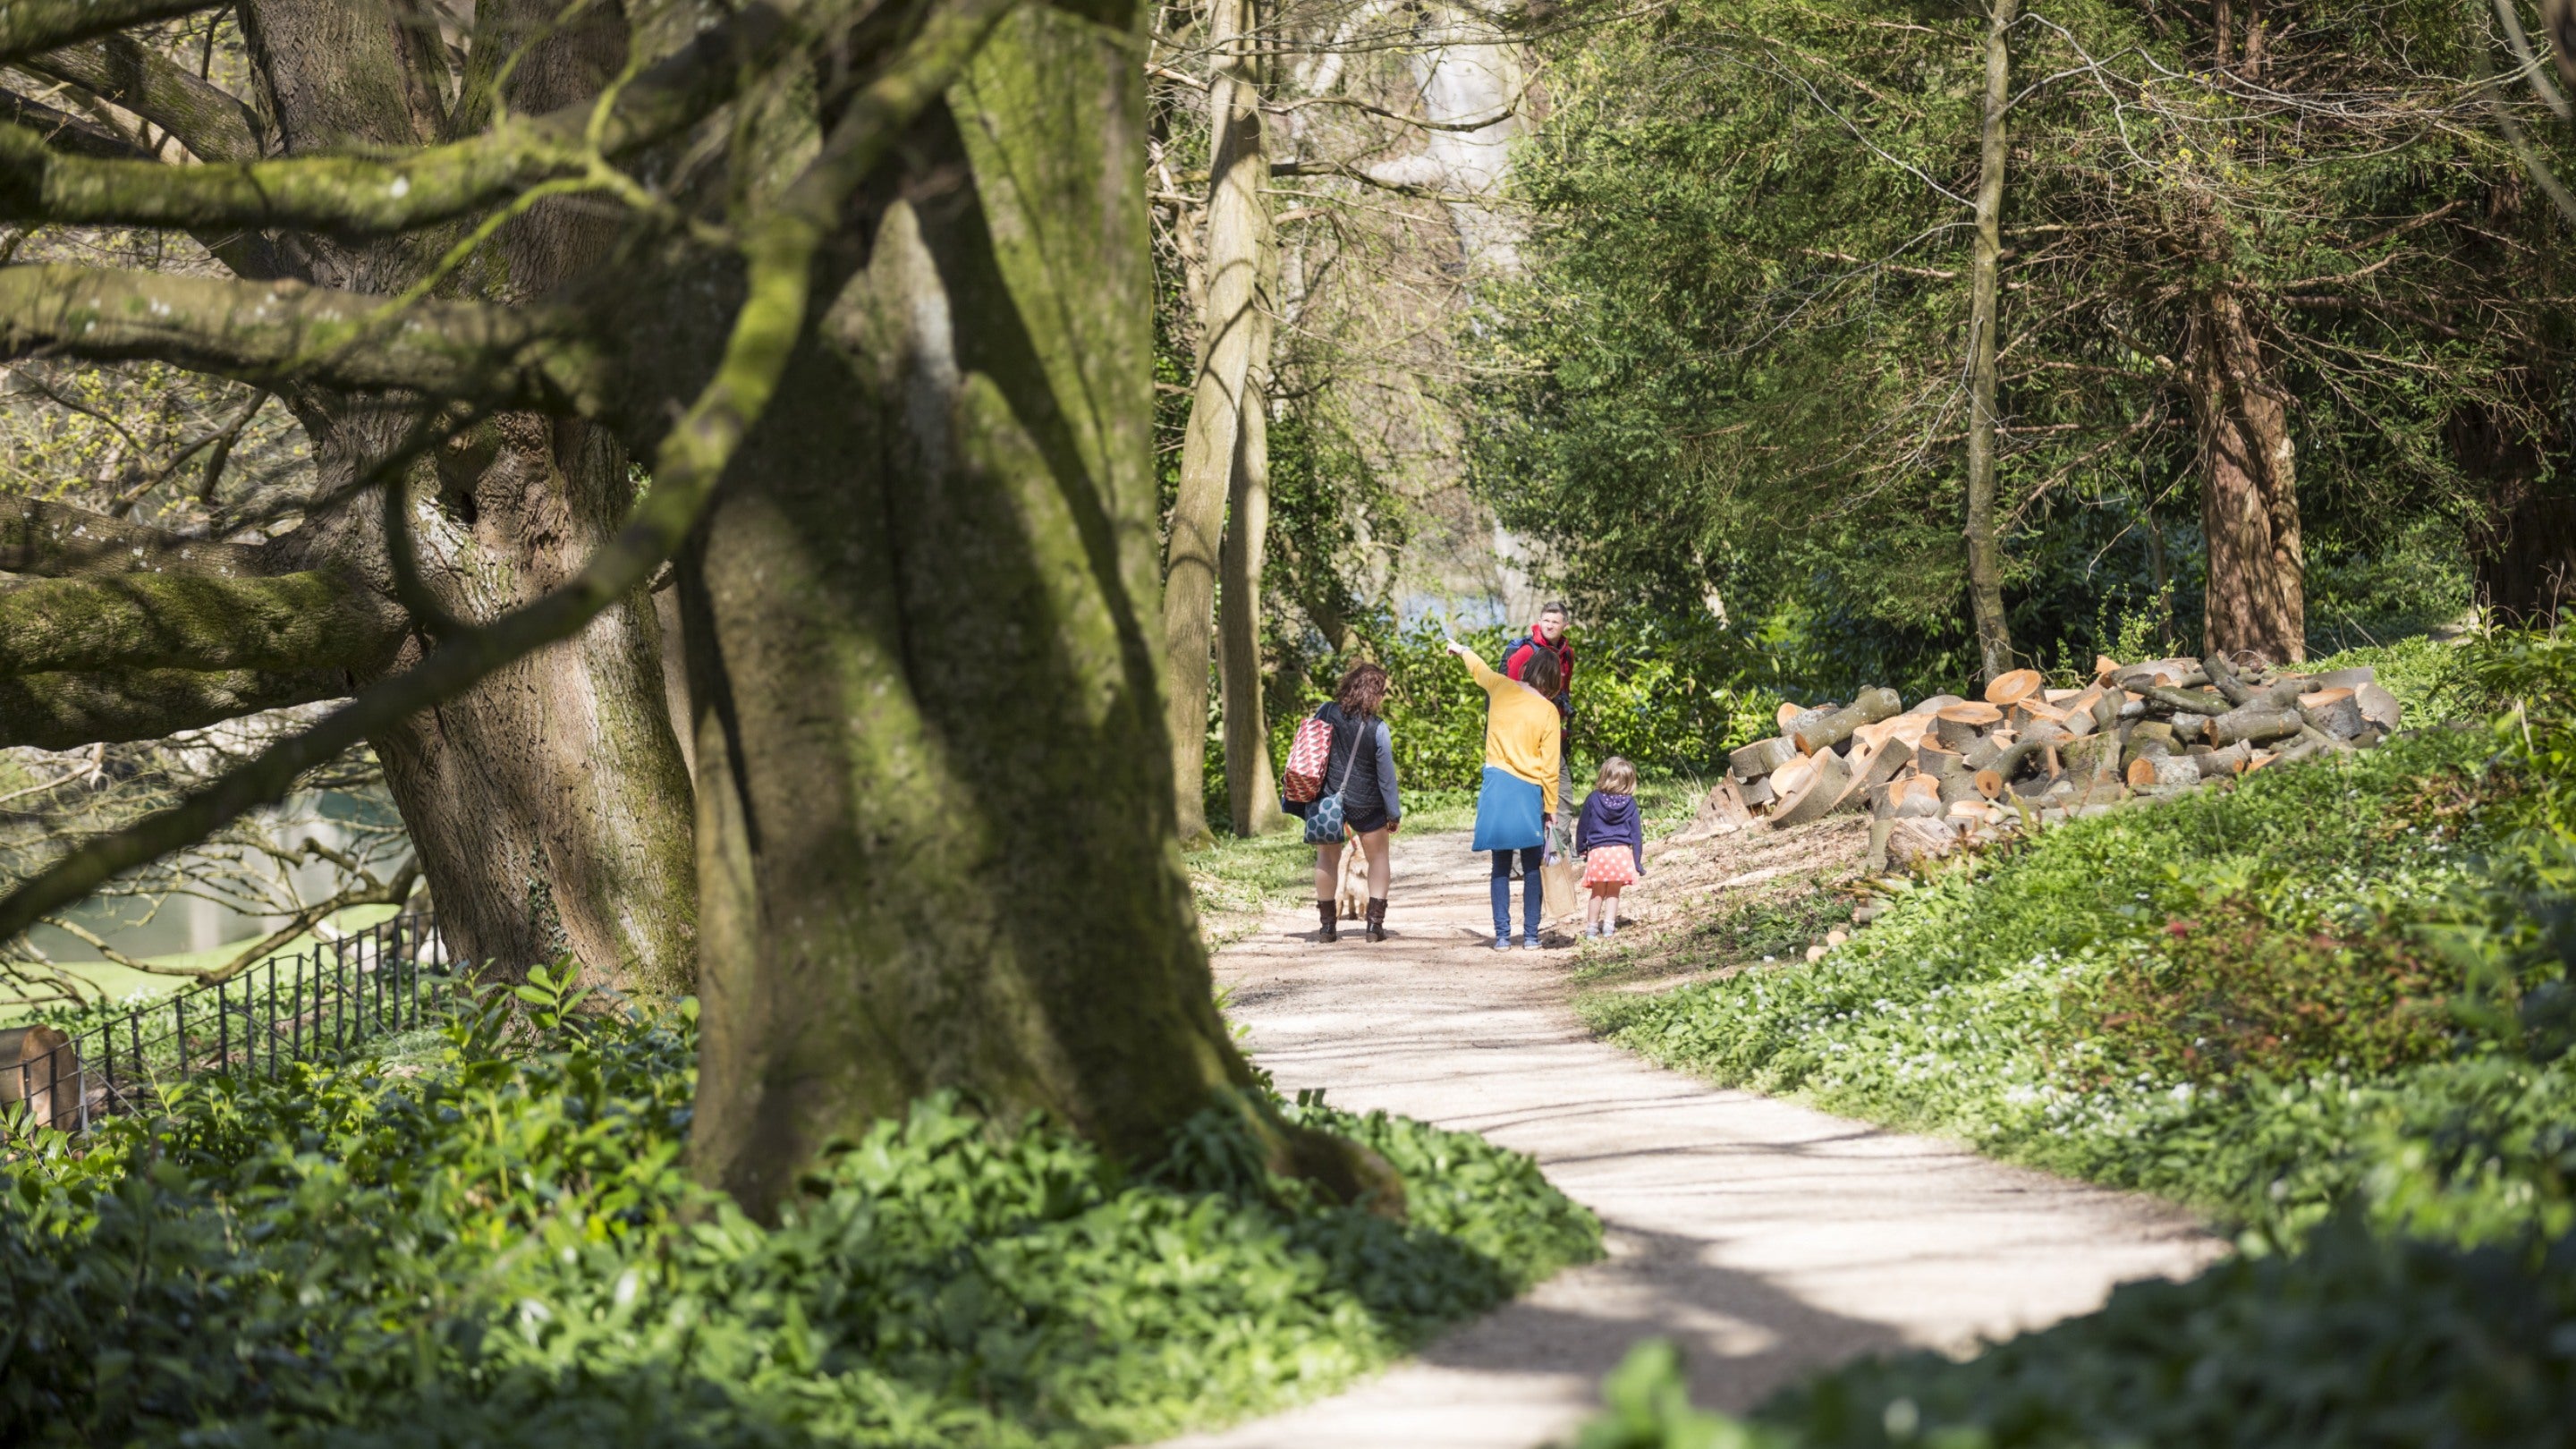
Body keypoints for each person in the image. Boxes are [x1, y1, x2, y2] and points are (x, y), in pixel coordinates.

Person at [1445, 636, 1562, 950]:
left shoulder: (1500, 687)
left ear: (1527, 669)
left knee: (1499, 864)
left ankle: (1501, 936)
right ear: (1552, 682)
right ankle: (1532, 937)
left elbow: (1479, 669)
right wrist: (1551, 808)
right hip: (1528, 790)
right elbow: (1550, 768)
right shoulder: (1548, 711)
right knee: (1532, 865)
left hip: (1497, 784)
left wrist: (1462, 651)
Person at [1284, 662, 1402, 943]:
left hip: (1326, 797)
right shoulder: (1378, 728)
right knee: (1379, 858)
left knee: (1326, 857)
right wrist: (1393, 813)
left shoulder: (1326, 711)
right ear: (1376, 695)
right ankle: (1374, 926)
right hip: (1367, 803)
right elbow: (1386, 777)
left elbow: (1308, 748)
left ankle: (1327, 928)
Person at [1503, 602, 1576, 853]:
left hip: (1553, 732)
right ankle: (1516, 862)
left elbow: (1564, 691)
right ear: (1539, 621)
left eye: (1555, 622)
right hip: (1524, 736)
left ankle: (1558, 852)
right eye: (1546, 620)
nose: (1549, 625)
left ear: (1565, 625)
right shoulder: (1525, 652)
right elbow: (1508, 693)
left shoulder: (1567, 653)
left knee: (1562, 793)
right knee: (1525, 797)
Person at [1574, 755, 1645, 937]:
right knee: (1614, 892)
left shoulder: (1593, 799)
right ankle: (1608, 927)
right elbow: (1636, 835)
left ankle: (1591, 928)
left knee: (1597, 892)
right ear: (1629, 781)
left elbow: (1583, 825)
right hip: (1621, 854)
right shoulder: (1630, 803)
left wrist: (1581, 847)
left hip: (1598, 853)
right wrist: (1637, 862)